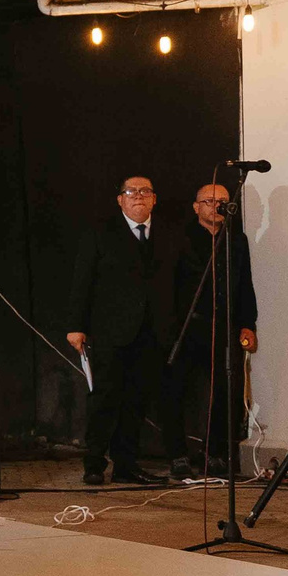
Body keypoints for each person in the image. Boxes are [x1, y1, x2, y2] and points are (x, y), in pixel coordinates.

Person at [66, 176, 181, 487]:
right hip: (110, 332)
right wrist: (76, 326)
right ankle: (94, 464)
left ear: (154, 199)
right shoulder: (100, 233)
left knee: (136, 401)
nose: (138, 197)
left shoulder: (168, 234)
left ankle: (126, 465)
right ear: (120, 200)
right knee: (104, 399)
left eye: (145, 192)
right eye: (131, 192)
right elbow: (82, 282)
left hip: (152, 332)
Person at [167, 180, 259, 479]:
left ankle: (215, 454)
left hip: (223, 327)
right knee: (176, 391)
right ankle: (178, 454)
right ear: (196, 207)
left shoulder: (237, 240)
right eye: (210, 201)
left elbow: (244, 284)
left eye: (223, 201)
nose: (217, 206)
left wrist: (248, 323)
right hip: (185, 326)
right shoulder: (179, 239)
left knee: (224, 391)